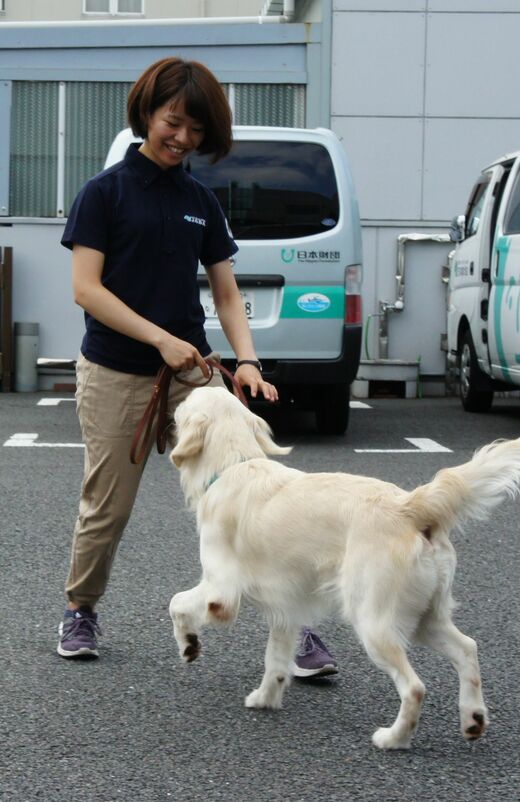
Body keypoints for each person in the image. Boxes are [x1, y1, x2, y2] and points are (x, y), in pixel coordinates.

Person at [56, 57, 337, 678]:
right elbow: (87, 289)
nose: (182, 137)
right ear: (147, 114)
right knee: (108, 504)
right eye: (173, 122)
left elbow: (228, 294)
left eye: (196, 130)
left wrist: (247, 362)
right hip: (116, 369)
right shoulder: (103, 193)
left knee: (254, 495)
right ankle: (81, 609)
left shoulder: (200, 201)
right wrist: (159, 338)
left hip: (191, 371)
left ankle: (295, 626)